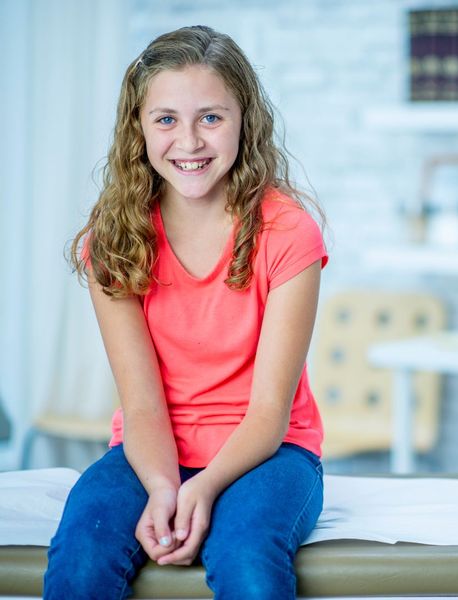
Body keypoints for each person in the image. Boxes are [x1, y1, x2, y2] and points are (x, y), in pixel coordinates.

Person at [44, 24, 328, 600]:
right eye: (166, 119)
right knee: (82, 555)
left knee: (246, 555)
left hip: (267, 452)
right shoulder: (116, 239)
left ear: (244, 119)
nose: (190, 141)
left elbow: (270, 412)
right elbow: (142, 403)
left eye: (211, 117)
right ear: (138, 128)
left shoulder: (288, 233)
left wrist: (202, 490)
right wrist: (162, 487)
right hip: (150, 448)